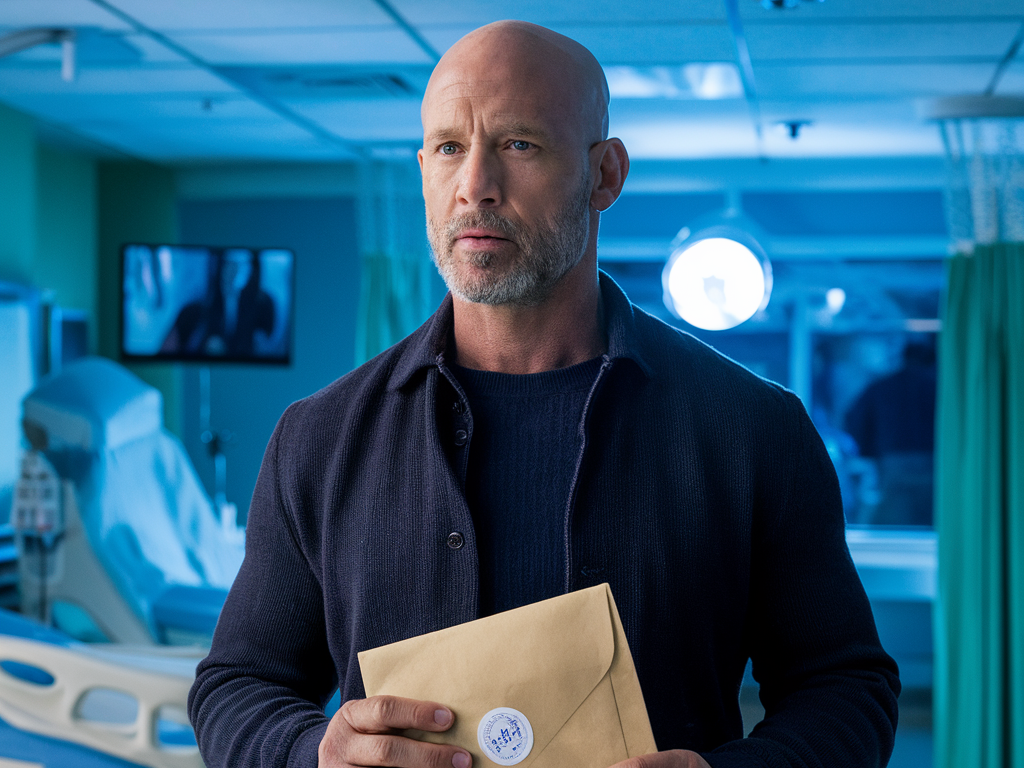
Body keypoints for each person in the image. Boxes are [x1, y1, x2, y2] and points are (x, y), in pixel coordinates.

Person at [188, 20, 899, 768]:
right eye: (450, 149)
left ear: (605, 175)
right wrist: (311, 754)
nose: (474, 186)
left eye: (519, 144)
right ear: (424, 166)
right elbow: (236, 686)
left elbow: (846, 687)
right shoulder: (320, 439)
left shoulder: (752, 430)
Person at [844, 338, 937, 526]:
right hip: (931, 464)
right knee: (928, 526)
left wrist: (869, 452)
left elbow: (853, 419)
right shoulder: (938, 387)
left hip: (893, 464)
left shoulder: (881, 387)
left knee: (897, 527)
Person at [160, 249, 276, 358]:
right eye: (228, 264)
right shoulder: (192, 312)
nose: (232, 271)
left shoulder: (263, 306)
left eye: (241, 266)